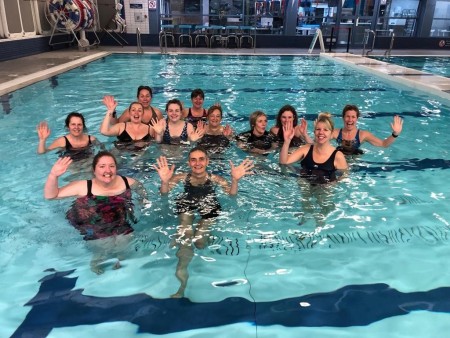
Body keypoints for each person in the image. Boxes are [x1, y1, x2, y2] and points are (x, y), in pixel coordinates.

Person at [153, 146, 254, 298]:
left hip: (209, 205)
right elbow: (164, 194)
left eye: (201, 159)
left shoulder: (216, 179)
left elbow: (232, 195)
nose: (197, 163)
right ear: (189, 163)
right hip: (186, 203)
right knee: (185, 238)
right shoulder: (181, 177)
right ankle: (182, 285)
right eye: (193, 160)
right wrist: (165, 181)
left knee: (200, 243)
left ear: (207, 161)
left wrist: (234, 180)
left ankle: (193, 236)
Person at [44, 151, 142, 274]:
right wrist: (53, 175)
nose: (108, 170)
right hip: (91, 223)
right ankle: (98, 257)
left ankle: (121, 257)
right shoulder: (83, 187)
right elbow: (50, 196)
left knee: (125, 241)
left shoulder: (128, 182)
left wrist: (143, 202)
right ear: (94, 170)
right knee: (104, 245)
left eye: (111, 166)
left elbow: (142, 190)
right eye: (102, 166)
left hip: (118, 220)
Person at [280, 113, 348, 227]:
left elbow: (345, 175)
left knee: (323, 202)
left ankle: (321, 219)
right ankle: (306, 216)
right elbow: (284, 162)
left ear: (331, 133)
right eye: (318, 129)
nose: (321, 132)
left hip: (325, 186)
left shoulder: (338, 155)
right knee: (304, 190)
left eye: (325, 130)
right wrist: (286, 141)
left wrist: (333, 184)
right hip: (305, 183)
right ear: (315, 132)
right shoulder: (306, 148)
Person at [332, 104, 404, 155]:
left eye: (353, 117)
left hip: (354, 161)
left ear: (357, 118)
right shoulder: (335, 133)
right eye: (347, 116)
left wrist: (395, 134)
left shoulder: (363, 135)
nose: (350, 120)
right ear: (343, 118)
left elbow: (383, 144)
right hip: (339, 158)